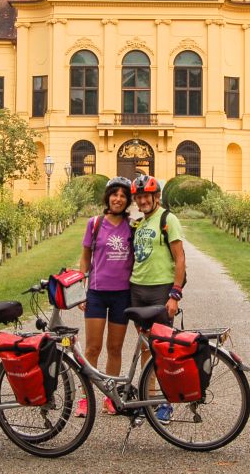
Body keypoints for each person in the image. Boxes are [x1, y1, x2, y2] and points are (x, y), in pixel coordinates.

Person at [128, 173, 186, 424]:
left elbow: (180, 257)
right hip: (138, 290)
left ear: (156, 197)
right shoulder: (140, 223)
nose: (142, 200)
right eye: (138, 197)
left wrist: (175, 293)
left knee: (162, 348)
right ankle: (148, 398)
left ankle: (166, 403)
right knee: (145, 347)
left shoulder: (167, 219)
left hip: (160, 290)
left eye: (146, 196)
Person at [77, 176, 135, 417]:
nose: (118, 199)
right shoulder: (95, 224)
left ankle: (110, 396)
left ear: (127, 200)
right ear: (108, 197)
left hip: (122, 294)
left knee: (114, 347)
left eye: (123, 195)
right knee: (92, 348)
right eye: (114, 194)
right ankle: (84, 397)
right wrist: (81, 288)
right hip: (97, 293)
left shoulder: (133, 226)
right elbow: (85, 258)